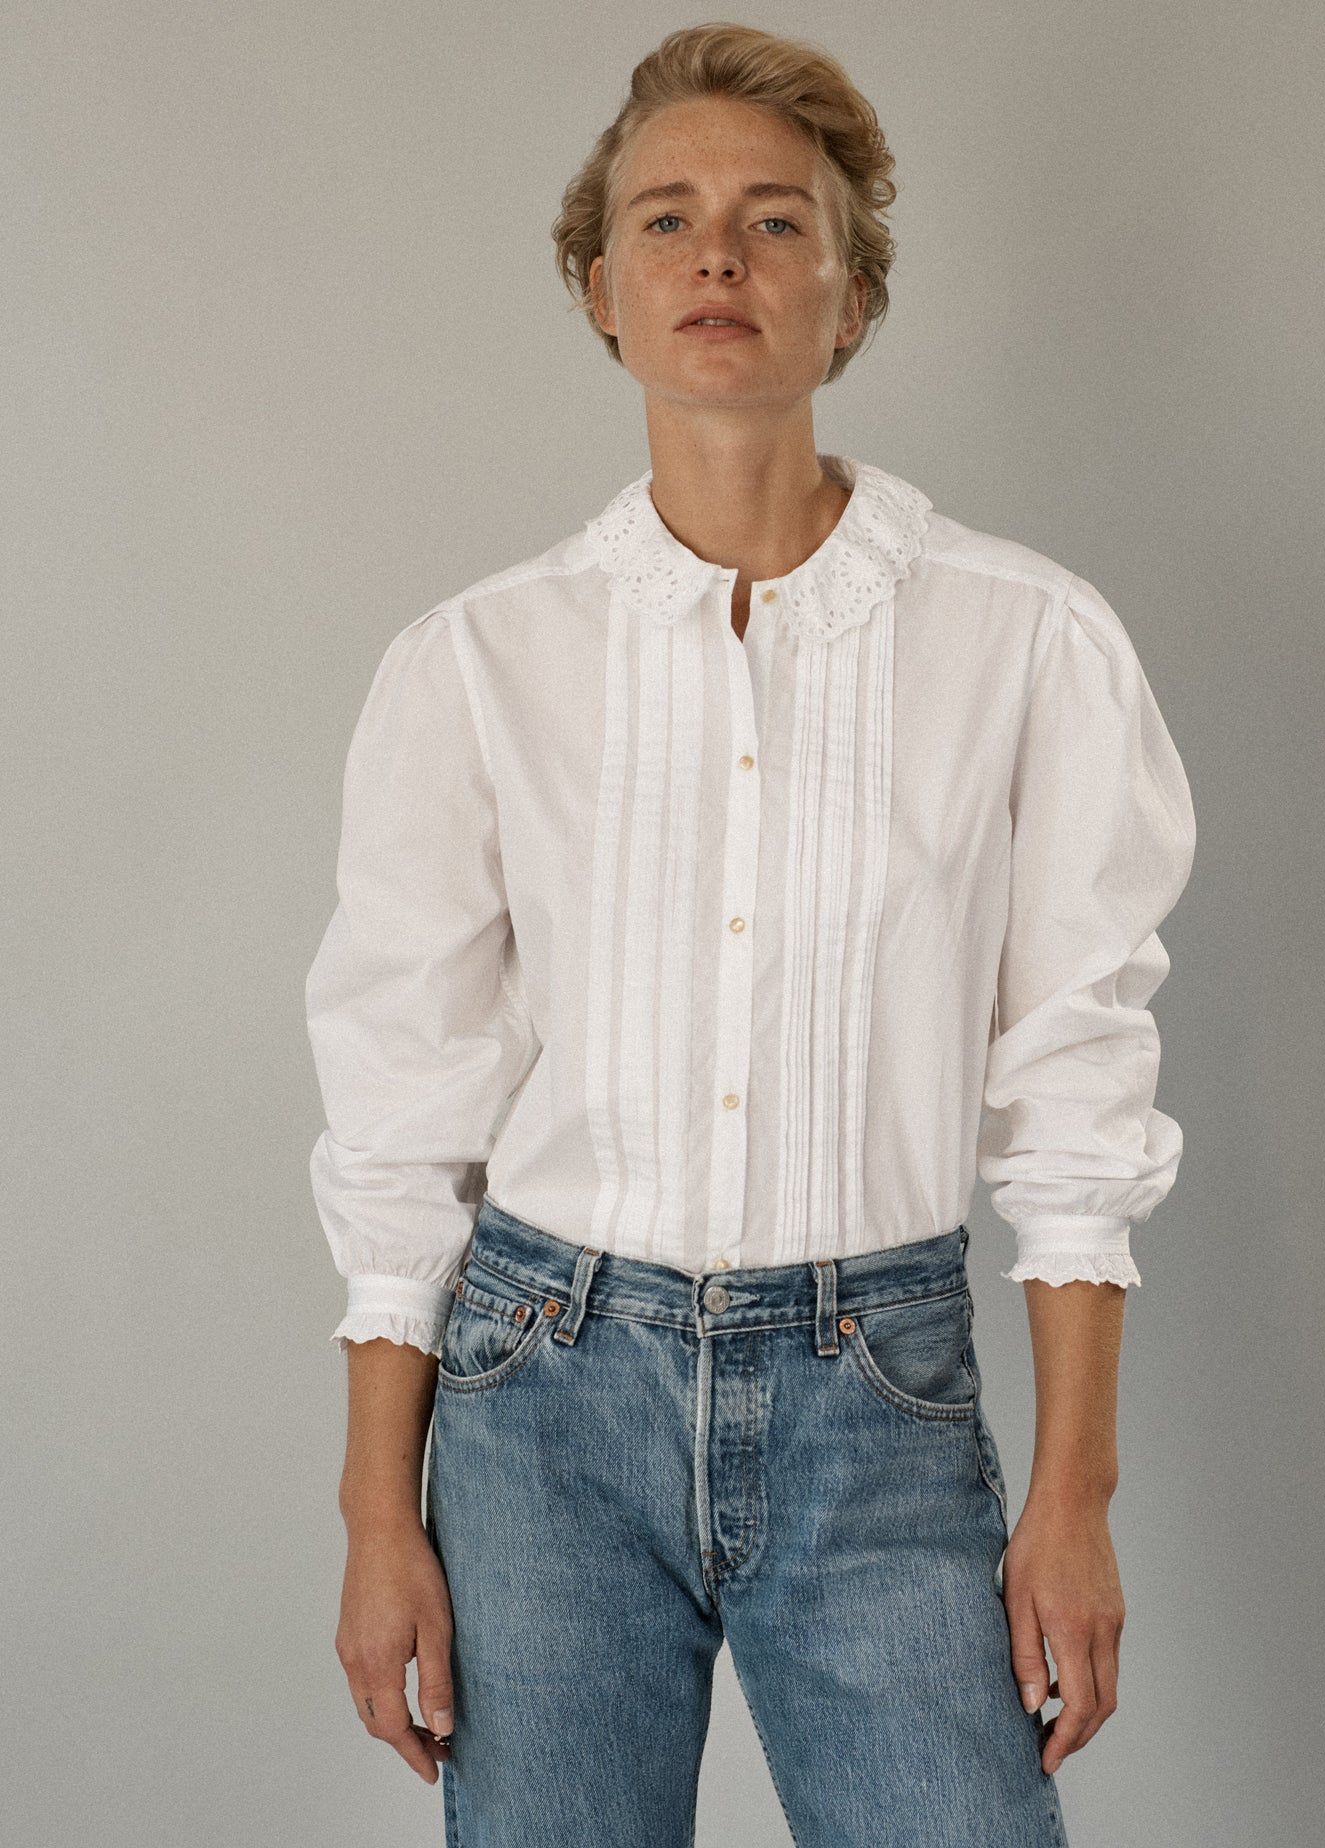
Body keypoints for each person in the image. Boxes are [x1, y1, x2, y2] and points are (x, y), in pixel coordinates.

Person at [304, 23, 1196, 1848]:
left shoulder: (1028, 645)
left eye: (778, 223)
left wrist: (1075, 1493)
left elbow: (1076, 1087)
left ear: (850, 296)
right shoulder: (474, 665)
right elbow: (403, 1115)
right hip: (538, 1399)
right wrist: (377, 1518)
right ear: (600, 286)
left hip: (879, 1391)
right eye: (667, 219)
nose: (720, 258)